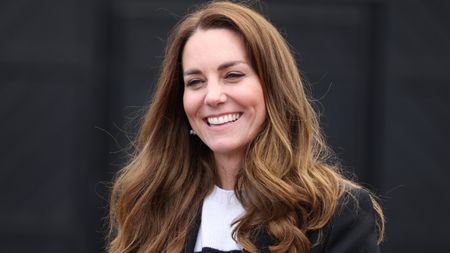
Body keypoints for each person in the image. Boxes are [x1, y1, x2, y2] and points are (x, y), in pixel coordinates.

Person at [107, 1, 384, 253]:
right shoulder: (150, 205)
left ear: (273, 88)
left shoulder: (335, 212)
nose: (213, 96)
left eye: (233, 75)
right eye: (195, 81)